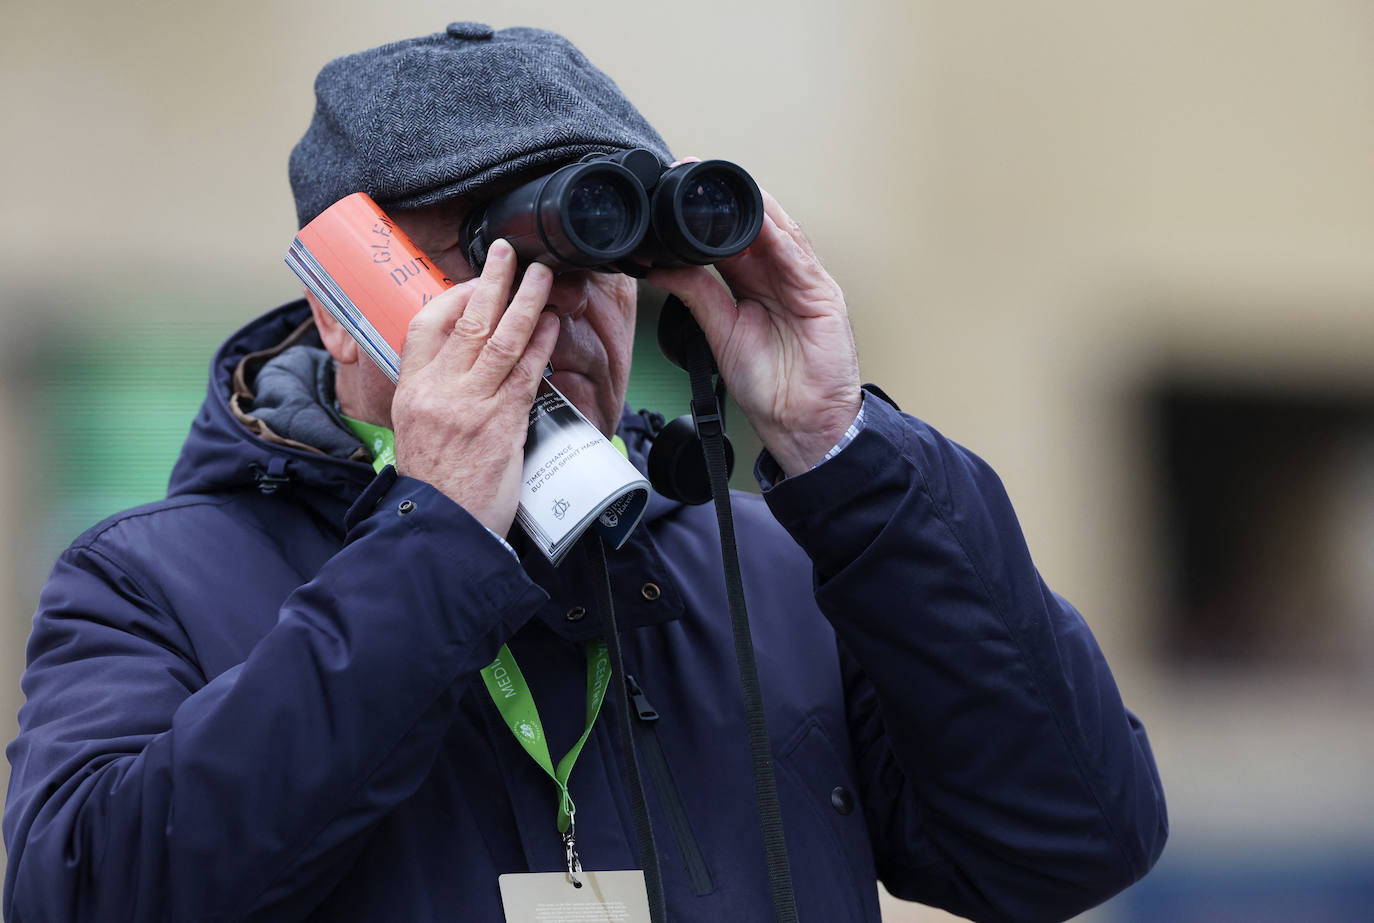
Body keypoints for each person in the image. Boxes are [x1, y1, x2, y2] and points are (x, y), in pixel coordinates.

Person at [3, 22, 1166, 923]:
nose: (560, 300)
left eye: (600, 252)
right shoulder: (150, 580)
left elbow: (1068, 844)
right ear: (344, 301)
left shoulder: (766, 563)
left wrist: (845, 450)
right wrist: (434, 540)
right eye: (496, 249)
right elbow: (93, 894)